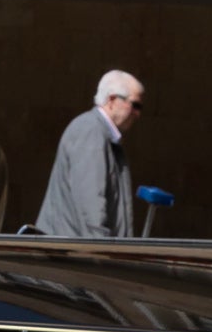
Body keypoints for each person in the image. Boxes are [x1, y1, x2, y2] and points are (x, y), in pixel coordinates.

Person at [32, 69, 141, 238]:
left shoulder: (104, 136)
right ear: (112, 100)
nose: (137, 114)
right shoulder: (90, 131)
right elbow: (90, 204)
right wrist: (102, 252)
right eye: (135, 105)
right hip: (71, 256)